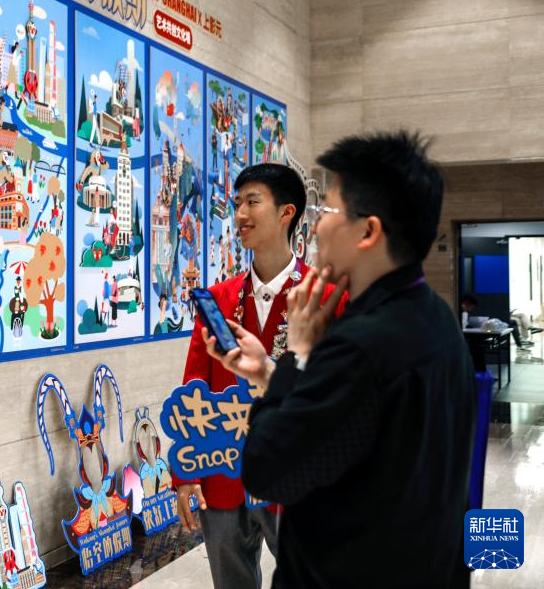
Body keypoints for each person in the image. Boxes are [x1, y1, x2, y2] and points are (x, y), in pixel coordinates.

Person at [199, 131, 475, 588]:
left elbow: (268, 470)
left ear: (368, 231)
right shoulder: (435, 318)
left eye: (326, 212)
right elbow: (343, 429)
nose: (316, 227)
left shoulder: (361, 345)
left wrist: (297, 353)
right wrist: (267, 371)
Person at [174, 163, 334, 589]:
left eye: (252, 202)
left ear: (286, 212)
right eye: (237, 204)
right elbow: (194, 386)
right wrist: (186, 474)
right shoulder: (218, 300)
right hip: (223, 474)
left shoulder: (323, 297)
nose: (240, 214)